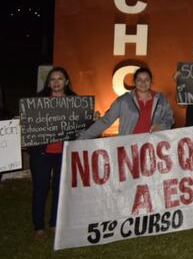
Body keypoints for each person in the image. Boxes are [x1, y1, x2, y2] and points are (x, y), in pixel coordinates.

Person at [29, 68, 94, 239]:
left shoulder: (75, 102)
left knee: (60, 189)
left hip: (64, 153)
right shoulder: (38, 101)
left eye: (60, 78)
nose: (56, 82)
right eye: (52, 79)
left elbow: (82, 129)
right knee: (41, 188)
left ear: (66, 81)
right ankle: (38, 226)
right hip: (41, 154)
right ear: (48, 82)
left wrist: (91, 118)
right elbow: (29, 125)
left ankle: (54, 223)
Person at [80, 68, 174, 139]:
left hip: (152, 147)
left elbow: (170, 119)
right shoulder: (124, 100)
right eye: (139, 80)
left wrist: (162, 126)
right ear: (134, 82)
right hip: (128, 147)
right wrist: (82, 137)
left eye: (146, 79)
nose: (143, 82)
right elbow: (106, 121)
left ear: (151, 81)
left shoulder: (161, 99)